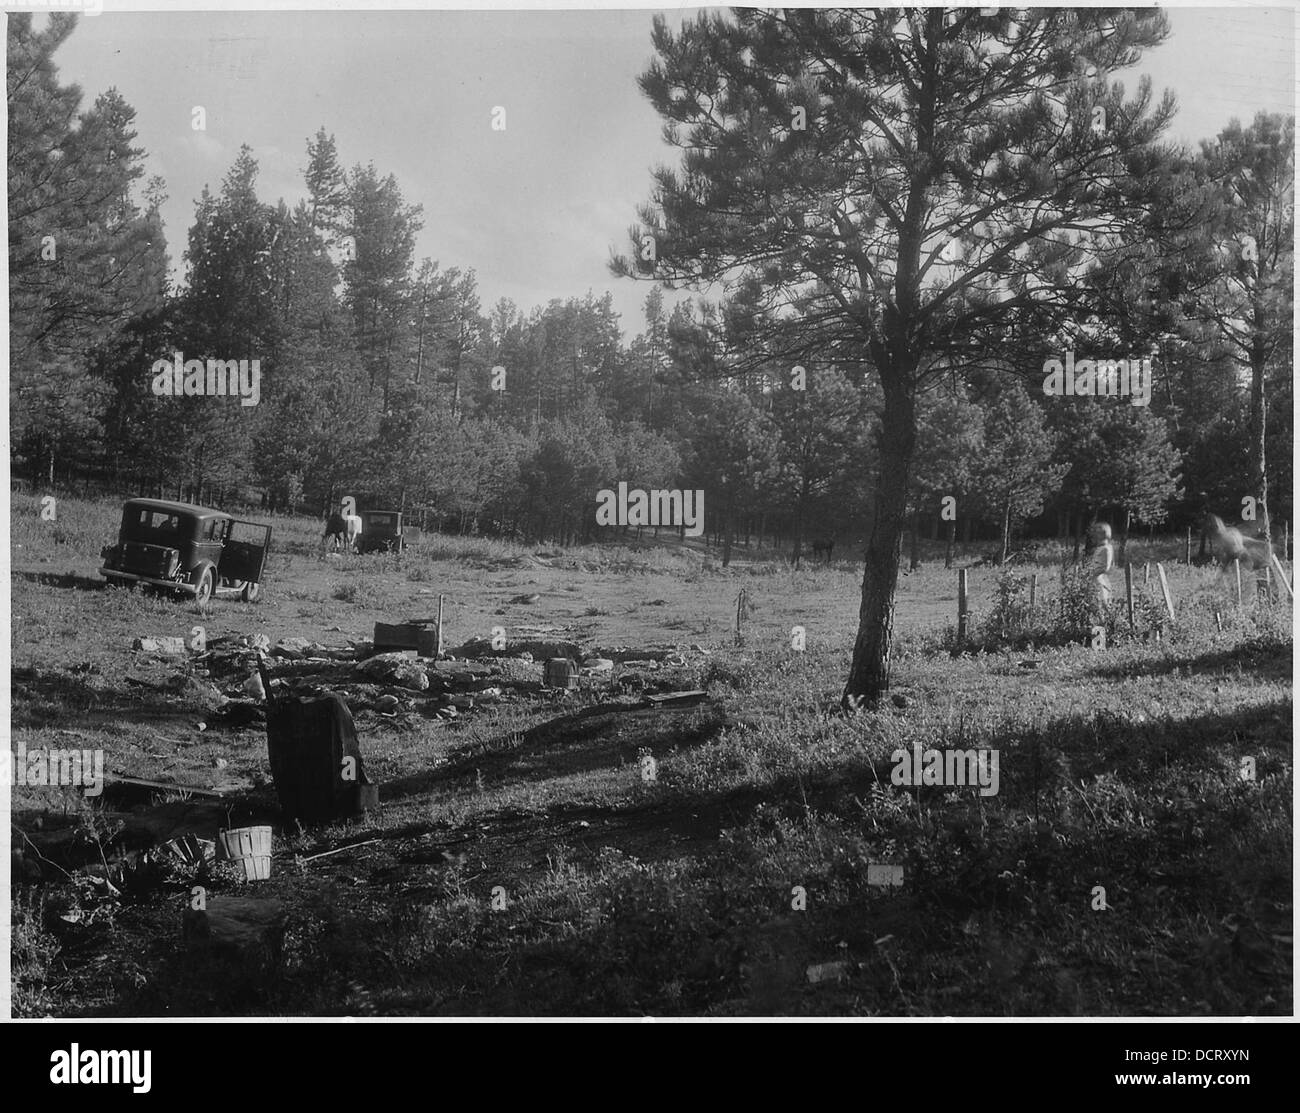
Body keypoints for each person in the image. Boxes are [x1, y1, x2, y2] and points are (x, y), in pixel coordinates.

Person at [1089, 521, 1115, 607]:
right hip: (1094, 579)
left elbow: (1105, 567)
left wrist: (1092, 574)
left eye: (1097, 534)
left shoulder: (1106, 548)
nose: (1095, 537)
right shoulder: (1100, 548)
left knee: (1101, 602)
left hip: (1099, 580)